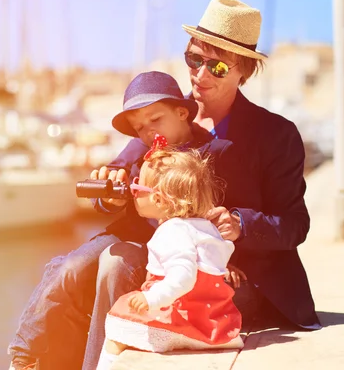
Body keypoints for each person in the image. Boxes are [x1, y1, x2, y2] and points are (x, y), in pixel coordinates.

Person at [81, 0, 321, 370]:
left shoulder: (277, 135)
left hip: (240, 277)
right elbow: (116, 181)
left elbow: (294, 224)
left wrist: (242, 224)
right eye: (194, 59)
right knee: (109, 266)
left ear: (244, 72)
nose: (200, 75)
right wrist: (108, 196)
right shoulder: (164, 121)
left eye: (219, 66)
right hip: (170, 262)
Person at [7, 71, 234, 370]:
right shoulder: (141, 148)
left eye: (155, 120)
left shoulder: (214, 153)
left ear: (182, 112)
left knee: (114, 267)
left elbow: (228, 217)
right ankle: (25, 355)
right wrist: (107, 195)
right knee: (69, 267)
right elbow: (108, 181)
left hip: (173, 245)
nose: (148, 132)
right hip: (131, 231)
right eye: (139, 127)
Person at [95, 147, 244, 370]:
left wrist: (153, 299)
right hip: (213, 319)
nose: (132, 192)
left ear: (158, 199)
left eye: (136, 188)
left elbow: (184, 277)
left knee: (117, 327)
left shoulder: (172, 230)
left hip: (185, 320)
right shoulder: (205, 228)